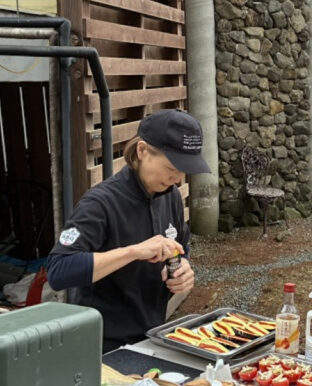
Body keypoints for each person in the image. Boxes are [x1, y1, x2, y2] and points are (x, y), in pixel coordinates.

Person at [47, 109, 209, 353]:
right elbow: (58, 271)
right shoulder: (100, 203)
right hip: (102, 347)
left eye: (184, 169)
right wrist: (133, 252)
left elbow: (181, 247)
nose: (177, 178)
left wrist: (183, 267)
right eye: (172, 166)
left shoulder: (171, 197)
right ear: (142, 151)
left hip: (152, 337)